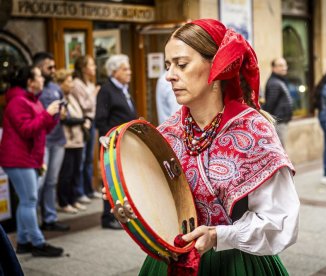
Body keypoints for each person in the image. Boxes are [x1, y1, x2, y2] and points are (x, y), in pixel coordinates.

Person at [105, 18, 299, 275]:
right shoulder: (166, 133)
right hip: (172, 262)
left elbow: (280, 221)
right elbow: (161, 204)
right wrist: (132, 207)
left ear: (217, 67)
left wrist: (220, 235)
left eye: (181, 64)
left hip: (235, 262)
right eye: (168, 65)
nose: (170, 75)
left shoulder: (254, 131)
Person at [0, 66, 64, 257]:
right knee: (30, 200)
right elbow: (27, 130)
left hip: (27, 158)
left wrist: (54, 115)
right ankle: (37, 242)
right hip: (18, 160)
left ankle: (23, 241)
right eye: (39, 76)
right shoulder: (18, 102)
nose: (43, 79)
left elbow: (42, 129)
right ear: (30, 81)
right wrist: (46, 114)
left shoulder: (29, 100)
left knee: (25, 201)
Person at [95, 54, 138, 230]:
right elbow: (100, 119)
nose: (129, 72)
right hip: (112, 143)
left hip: (124, 142)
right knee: (111, 180)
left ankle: (121, 213)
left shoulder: (123, 88)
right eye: (125, 69)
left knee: (123, 179)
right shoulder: (106, 90)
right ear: (114, 71)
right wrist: (109, 140)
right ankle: (108, 217)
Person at [34, 52, 70, 232]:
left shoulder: (56, 87)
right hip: (42, 142)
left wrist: (64, 114)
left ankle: (49, 218)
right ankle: (34, 221)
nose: (53, 70)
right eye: (50, 67)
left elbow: (66, 110)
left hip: (58, 140)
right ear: (39, 68)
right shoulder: (35, 89)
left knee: (52, 181)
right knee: (39, 183)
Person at [56, 69, 88, 213]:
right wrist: (82, 120)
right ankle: (64, 202)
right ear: (60, 83)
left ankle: (73, 199)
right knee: (66, 174)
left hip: (78, 139)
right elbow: (65, 118)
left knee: (76, 171)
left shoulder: (71, 96)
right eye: (68, 82)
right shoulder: (59, 98)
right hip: (68, 141)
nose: (72, 85)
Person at [71, 55, 101, 201]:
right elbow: (84, 105)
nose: (94, 67)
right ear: (83, 68)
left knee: (89, 158)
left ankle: (89, 189)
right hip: (82, 123)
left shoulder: (89, 83)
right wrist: (94, 94)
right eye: (91, 65)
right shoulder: (77, 84)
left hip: (92, 121)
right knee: (81, 159)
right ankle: (79, 191)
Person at [262, 58, 293, 146]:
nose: (284, 68)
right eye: (280, 65)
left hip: (281, 121)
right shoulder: (274, 83)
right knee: (280, 148)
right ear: (273, 68)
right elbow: (270, 105)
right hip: (278, 122)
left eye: (285, 65)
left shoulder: (279, 81)